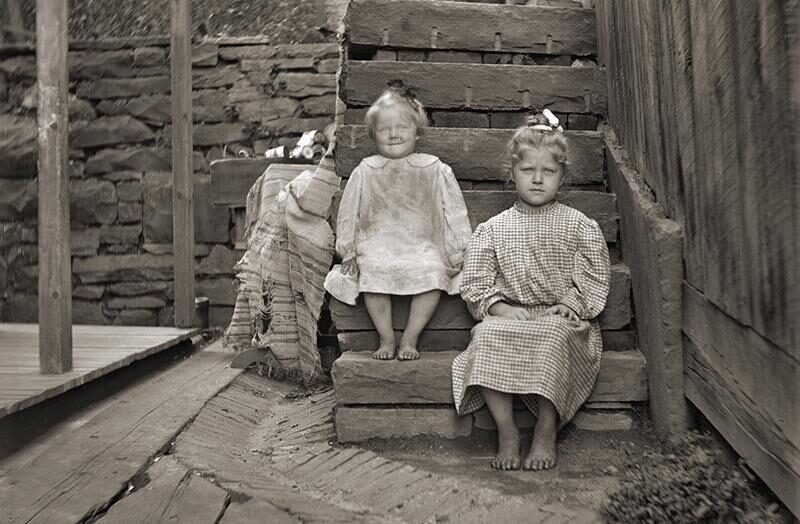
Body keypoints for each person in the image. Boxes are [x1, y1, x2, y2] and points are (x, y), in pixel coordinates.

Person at [451, 110, 610, 471]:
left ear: (562, 176)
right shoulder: (493, 229)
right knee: (486, 335)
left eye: (548, 172)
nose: (537, 180)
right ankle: (506, 431)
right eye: (527, 171)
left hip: (559, 318)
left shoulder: (579, 225)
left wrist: (572, 304)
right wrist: (499, 309)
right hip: (514, 315)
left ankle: (545, 426)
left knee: (554, 334)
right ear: (512, 173)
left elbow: (595, 274)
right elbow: (475, 282)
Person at [324, 89, 472, 361]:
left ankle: (411, 337)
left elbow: (454, 210)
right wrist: (349, 250)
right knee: (372, 272)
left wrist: (459, 249)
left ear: (417, 132)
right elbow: (348, 213)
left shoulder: (434, 168)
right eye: (384, 129)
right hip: (378, 242)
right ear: (373, 135)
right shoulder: (366, 169)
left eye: (402, 127)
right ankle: (386, 337)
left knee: (432, 272)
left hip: (422, 243)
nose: (394, 134)